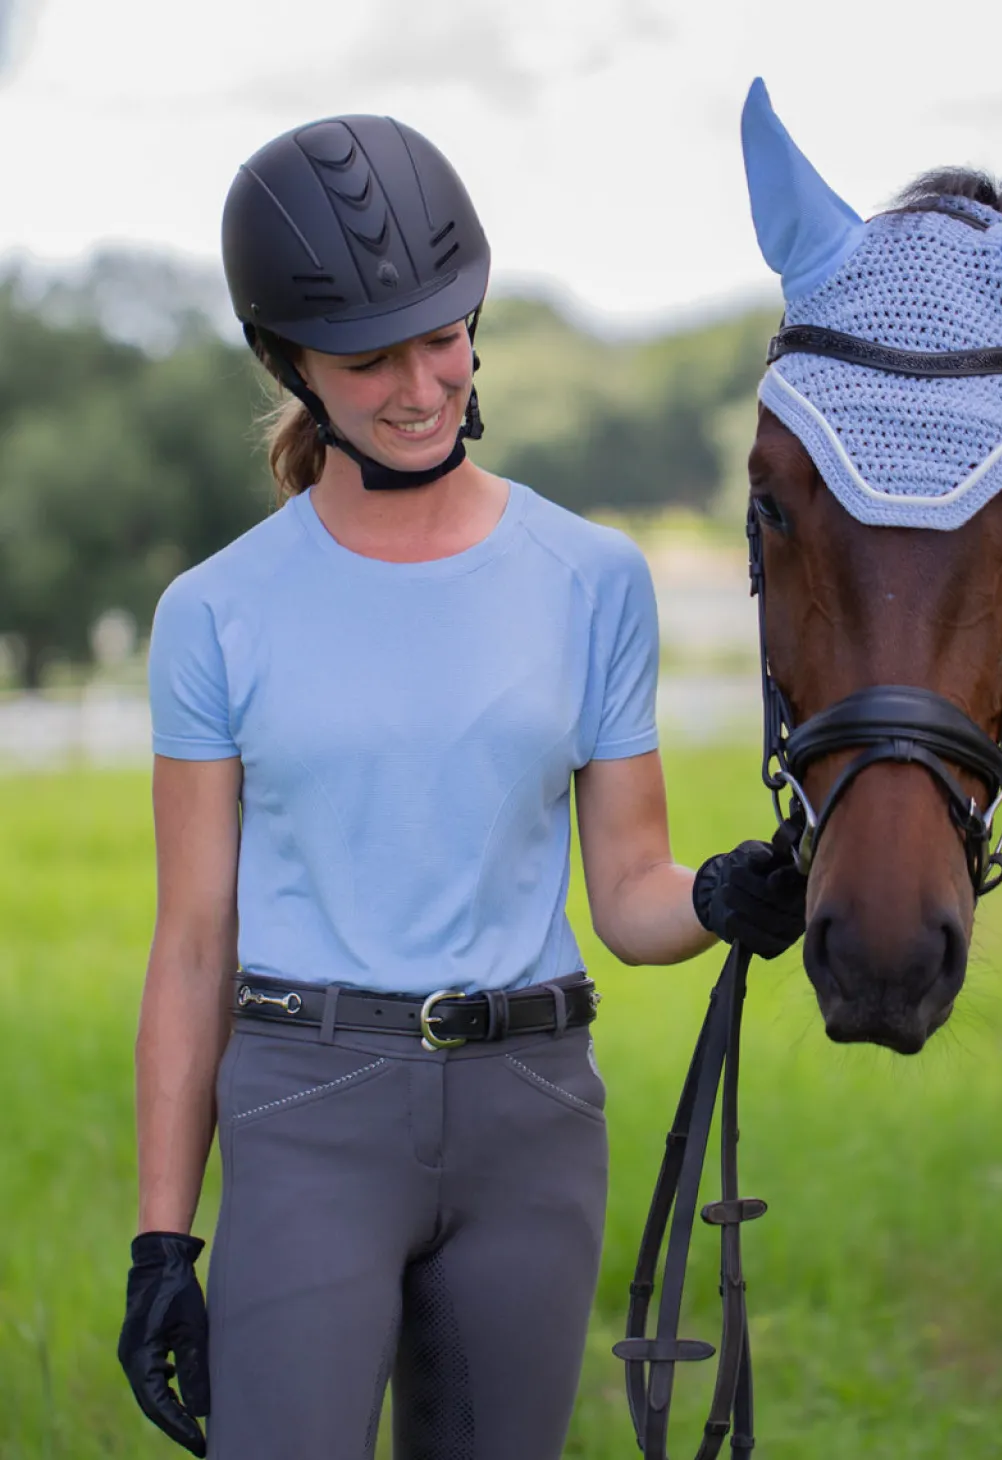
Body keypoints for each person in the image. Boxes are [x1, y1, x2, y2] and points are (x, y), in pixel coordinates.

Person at [116, 113, 807, 1460]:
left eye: (442, 337)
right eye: (370, 361)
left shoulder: (591, 579)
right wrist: (161, 1239)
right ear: (290, 364)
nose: (421, 385)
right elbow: (194, 943)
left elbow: (628, 892)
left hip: (532, 1115)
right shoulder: (216, 614)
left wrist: (727, 892)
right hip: (307, 1109)